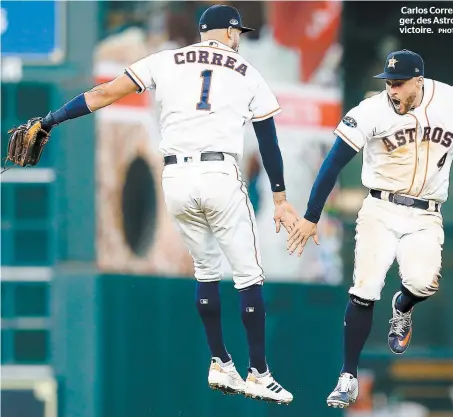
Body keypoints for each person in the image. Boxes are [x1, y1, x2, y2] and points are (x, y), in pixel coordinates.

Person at [24, 4, 296, 405]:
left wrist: (49, 120)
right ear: (230, 33)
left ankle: (220, 360)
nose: (239, 39)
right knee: (247, 276)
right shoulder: (247, 72)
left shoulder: (165, 60)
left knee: (205, 270)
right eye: (238, 33)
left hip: (175, 179)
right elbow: (268, 140)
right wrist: (280, 198)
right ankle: (259, 372)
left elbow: (102, 94)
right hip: (218, 174)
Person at [285, 49, 453, 408]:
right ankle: (348, 375)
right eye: (389, 83)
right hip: (380, 208)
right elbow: (333, 163)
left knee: (423, 282)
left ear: (419, 80)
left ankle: (402, 307)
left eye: (399, 83)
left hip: (426, 214)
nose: (392, 90)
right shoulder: (370, 110)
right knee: (365, 287)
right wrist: (311, 216)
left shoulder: (446, 97)